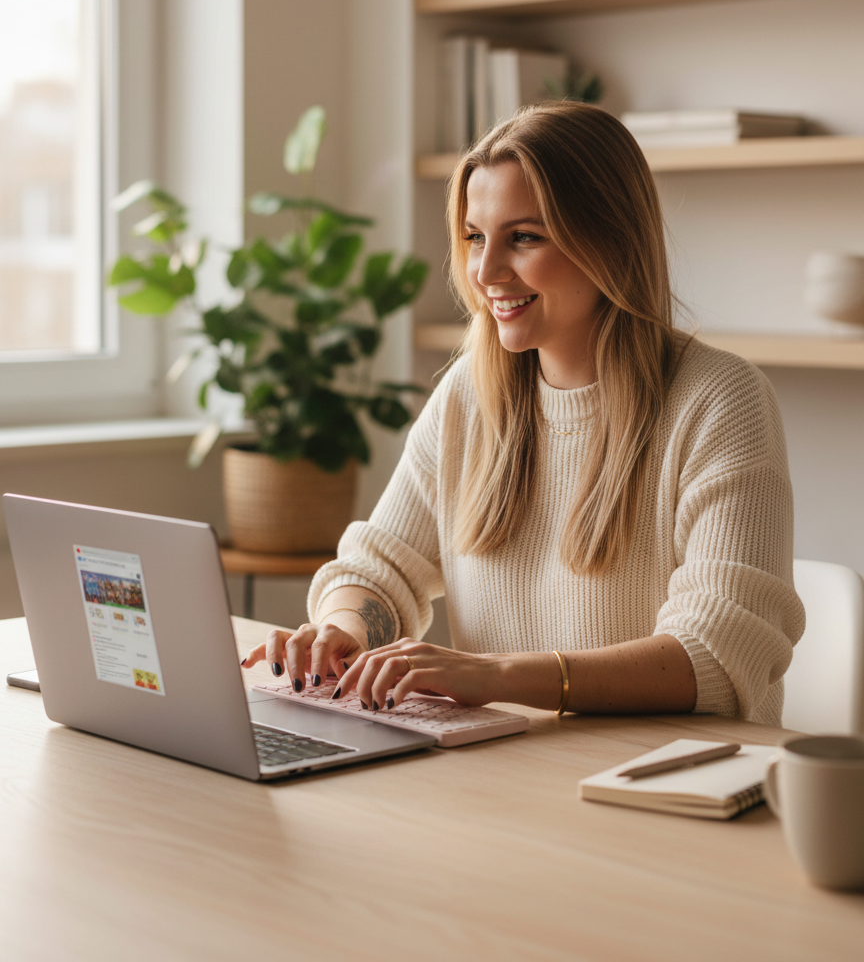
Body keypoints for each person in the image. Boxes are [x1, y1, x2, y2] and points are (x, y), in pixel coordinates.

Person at [242, 102, 805, 724]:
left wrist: (496, 676)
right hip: (510, 773)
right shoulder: (467, 395)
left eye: (525, 237)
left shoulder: (720, 400)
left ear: (609, 240)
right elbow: (378, 570)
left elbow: (718, 658)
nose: (485, 272)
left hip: (665, 782)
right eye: (476, 237)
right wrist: (342, 630)